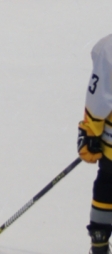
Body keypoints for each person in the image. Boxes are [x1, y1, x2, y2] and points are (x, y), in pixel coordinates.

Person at [78, 34, 112, 253]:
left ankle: (99, 241)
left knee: (108, 183)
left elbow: (99, 95)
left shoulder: (108, 49)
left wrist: (90, 131)